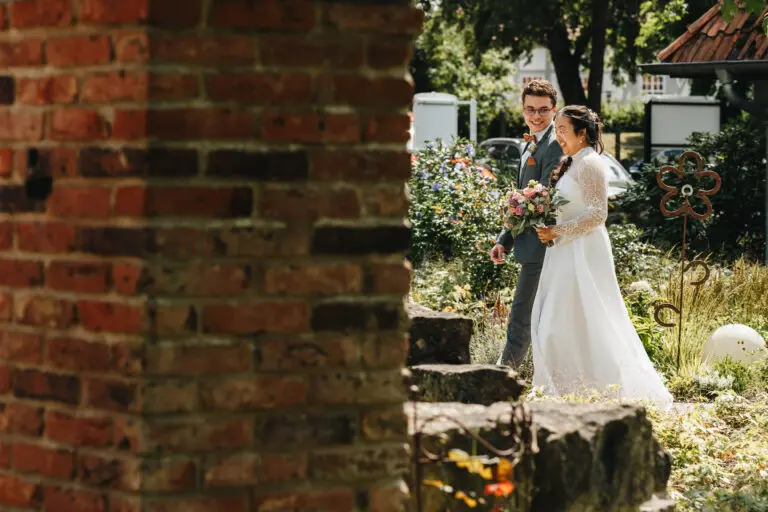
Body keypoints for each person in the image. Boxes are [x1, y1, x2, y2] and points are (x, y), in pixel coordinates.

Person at [532, 105, 673, 409]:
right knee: (562, 320)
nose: (558, 136)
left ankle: (599, 389)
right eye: (556, 131)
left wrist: (558, 230)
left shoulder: (591, 163)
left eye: (563, 130)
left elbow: (598, 214)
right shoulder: (570, 162)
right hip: (564, 250)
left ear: (582, 133)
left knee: (585, 319)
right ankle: (567, 391)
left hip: (585, 251)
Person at [491, 79, 563, 368]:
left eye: (543, 110)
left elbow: (542, 199)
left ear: (554, 110)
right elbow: (522, 198)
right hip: (528, 242)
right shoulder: (530, 143)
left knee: (522, 313)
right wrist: (503, 240)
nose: (536, 116)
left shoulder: (554, 143)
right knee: (533, 314)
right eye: (530, 109)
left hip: (542, 244)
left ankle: (504, 373)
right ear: (522, 110)